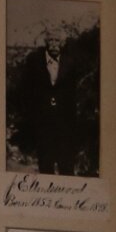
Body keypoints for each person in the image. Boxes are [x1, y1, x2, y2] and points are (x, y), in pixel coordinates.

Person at [11, 24, 91, 177]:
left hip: (64, 121)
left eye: (57, 40)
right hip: (42, 120)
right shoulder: (35, 61)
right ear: (46, 42)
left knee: (66, 163)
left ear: (62, 43)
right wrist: (31, 113)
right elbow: (25, 89)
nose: (54, 44)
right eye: (51, 40)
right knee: (45, 163)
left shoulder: (69, 63)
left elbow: (73, 91)